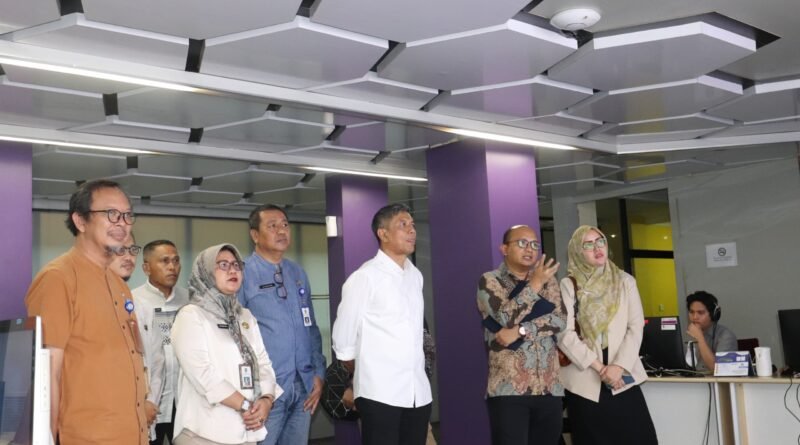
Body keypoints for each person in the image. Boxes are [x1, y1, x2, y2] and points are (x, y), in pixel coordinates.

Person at [24, 179, 149, 444]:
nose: (122, 223)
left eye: (127, 215)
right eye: (111, 214)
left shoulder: (119, 285)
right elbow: (47, 375)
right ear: (80, 221)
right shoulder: (58, 279)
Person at [332, 203, 432, 445]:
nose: (411, 230)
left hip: (417, 391)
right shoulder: (365, 277)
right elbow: (343, 341)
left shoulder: (415, 275)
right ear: (383, 234)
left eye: (412, 225)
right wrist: (364, 376)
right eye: (403, 225)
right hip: (380, 393)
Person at [171, 244, 283, 445]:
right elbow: (203, 375)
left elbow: (263, 362)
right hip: (203, 432)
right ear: (205, 272)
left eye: (236, 265)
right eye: (223, 265)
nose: (232, 270)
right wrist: (246, 405)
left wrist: (266, 400)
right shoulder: (191, 315)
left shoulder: (244, 316)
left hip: (247, 429)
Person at [557, 225, 657, 445]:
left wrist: (618, 367)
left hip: (622, 378)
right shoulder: (569, 285)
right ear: (577, 251)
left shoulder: (625, 281)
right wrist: (601, 369)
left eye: (600, 241)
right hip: (585, 379)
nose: (597, 248)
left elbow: (635, 327)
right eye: (588, 245)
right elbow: (564, 333)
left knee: (639, 437)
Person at [240, 204, 326, 445]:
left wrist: (318, 373)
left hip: (304, 385)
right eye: (272, 226)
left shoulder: (297, 272)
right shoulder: (243, 274)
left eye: (285, 225)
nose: (281, 231)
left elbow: (311, 327)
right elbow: (235, 336)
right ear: (255, 235)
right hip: (266, 389)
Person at [476, 225, 566, 445]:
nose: (530, 249)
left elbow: (559, 320)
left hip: (550, 387)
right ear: (504, 249)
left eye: (535, 244)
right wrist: (535, 284)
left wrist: (520, 331)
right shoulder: (490, 280)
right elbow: (505, 317)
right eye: (522, 243)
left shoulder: (550, 281)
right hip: (509, 389)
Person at [132, 239, 190, 445]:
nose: (172, 267)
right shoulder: (133, 301)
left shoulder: (190, 300)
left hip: (184, 400)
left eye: (176, 261)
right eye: (164, 261)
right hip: (151, 401)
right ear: (146, 268)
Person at [109, 233, 165, 439]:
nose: (128, 257)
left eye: (132, 250)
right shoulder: (91, 304)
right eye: (120, 250)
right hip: (109, 417)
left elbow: (157, 363)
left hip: (143, 416)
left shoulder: (142, 307)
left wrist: (150, 402)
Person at [685, 291, 737, 372]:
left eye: (700, 313)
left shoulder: (726, 336)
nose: (695, 317)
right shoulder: (688, 334)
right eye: (692, 312)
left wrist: (700, 338)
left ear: (713, 314)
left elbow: (719, 370)